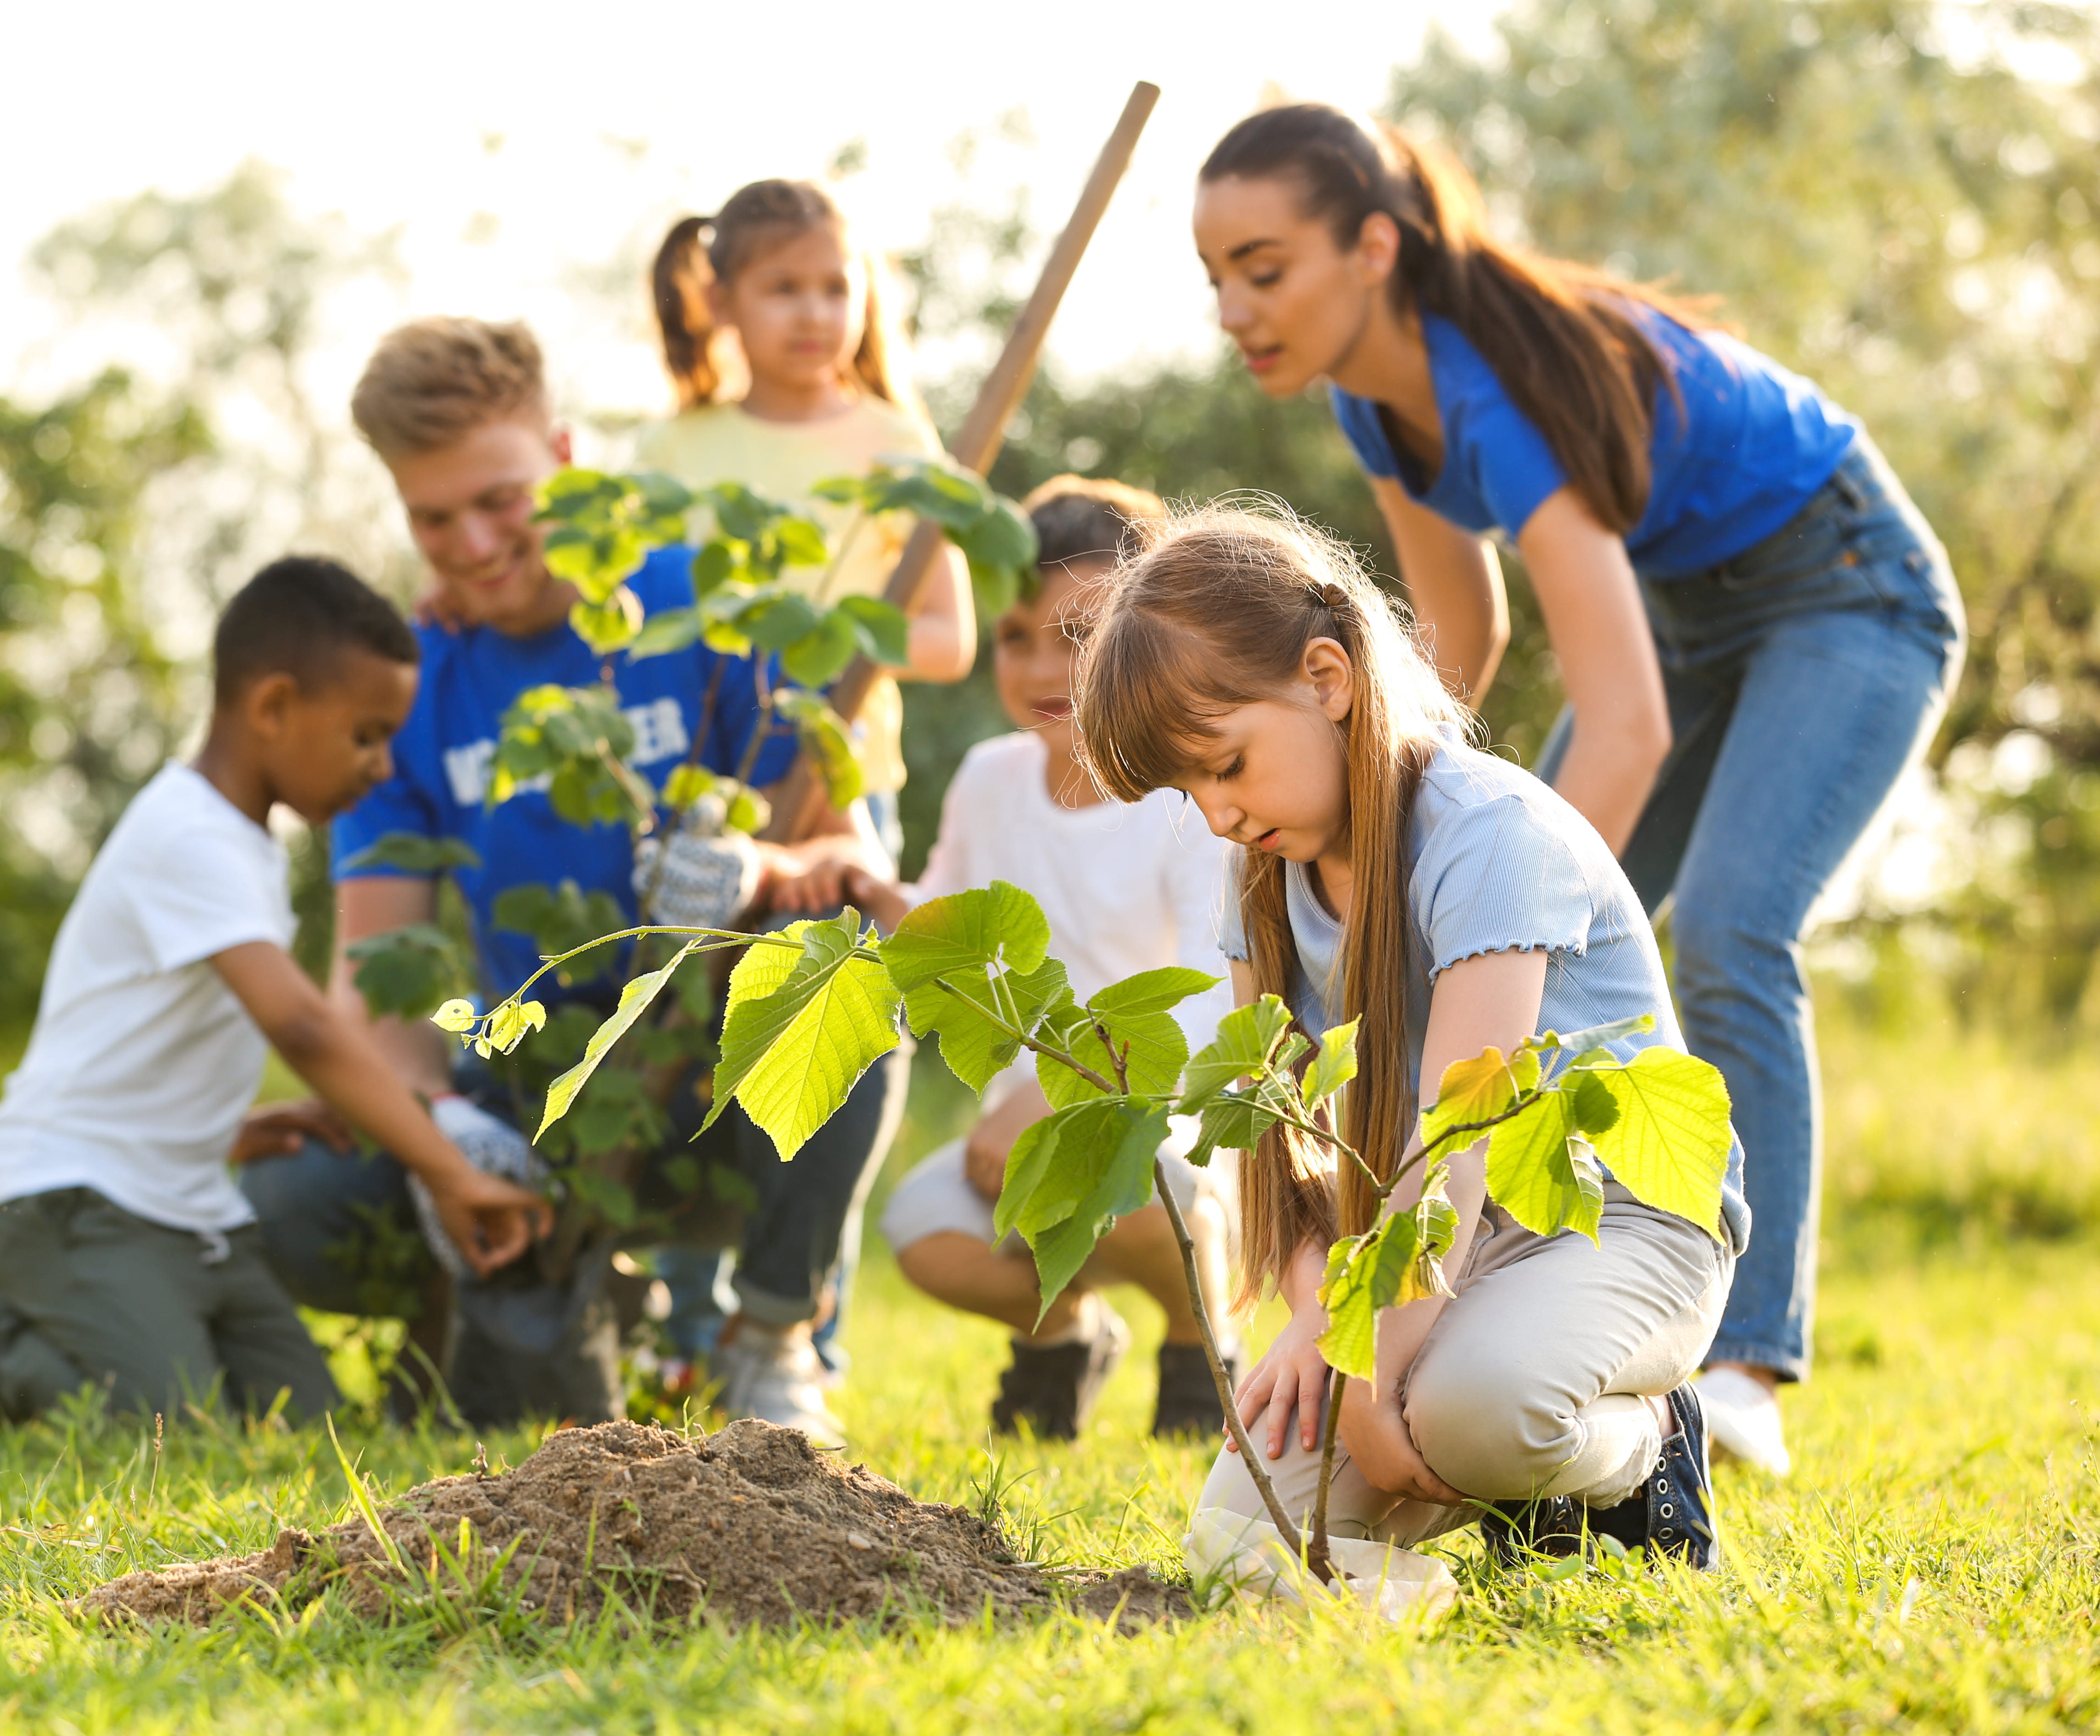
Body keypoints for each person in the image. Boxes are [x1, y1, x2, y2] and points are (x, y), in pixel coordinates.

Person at [1188, 104, 1964, 1476]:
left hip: (1844, 585)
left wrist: (1473, 916)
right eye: (1217, 280)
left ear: (1375, 246)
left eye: (1266, 266)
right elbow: (1446, 655)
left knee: (1730, 925)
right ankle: (1520, 1283)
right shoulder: (1374, 397)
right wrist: (1395, 852)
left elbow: (1621, 727)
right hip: (1697, 614)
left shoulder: (1494, 381)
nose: (1237, 309)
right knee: (1510, 934)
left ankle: (1742, 1369)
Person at [236, 316, 900, 1443]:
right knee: (295, 1205)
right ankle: (523, 1300)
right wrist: (442, 1130)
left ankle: (771, 1336)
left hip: (710, 1087)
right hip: (529, 1087)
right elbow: (380, 977)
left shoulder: (714, 608)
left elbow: (848, 866)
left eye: (500, 500)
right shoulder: (412, 684)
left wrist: (758, 863)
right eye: (433, 518)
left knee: (838, 980)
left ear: (564, 457)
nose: (475, 542)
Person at [1076, 502, 1749, 1569]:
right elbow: (1281, 1161)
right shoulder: (1259, 879)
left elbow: (1460, 1139)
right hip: (1416, 1245)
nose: (1215, 815)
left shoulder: (1487, 834)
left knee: (1471, 1415)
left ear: (1327, 679)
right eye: (1188, 788)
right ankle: (1494, 1505)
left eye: (1228, 764)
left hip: (1614, 1216)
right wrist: (1327, 1346)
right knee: (1242, 1550)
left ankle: (1646, 1447)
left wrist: (1369, 1369)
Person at [0, 557, 551, 1429]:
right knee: (171, 1430)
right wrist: (445, 1171)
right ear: (273, 707)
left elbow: (160, 1030)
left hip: (182, 1205)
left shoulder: (240, 844)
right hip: (70, 1200)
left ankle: (119, 1335)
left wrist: (230, 1127)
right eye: (366, 735)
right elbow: (300, 1024)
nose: (380, 767)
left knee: (303, 1427)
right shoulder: (190, 836)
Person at [779, 476, 1244, 1441]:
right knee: (921, 1230)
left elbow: (1216, 994)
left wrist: (1069, 1091)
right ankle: (1064, 1334)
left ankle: (1204, 1340)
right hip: (1022, 1136)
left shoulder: (1185, 795)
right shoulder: (992, 778)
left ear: (1148, 631)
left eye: (1079, 635)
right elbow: (938, 924)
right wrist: (855, 872)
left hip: (1159, 1119)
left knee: (1145, 1184)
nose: (1043, 666)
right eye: (1016, 636)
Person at [635, 177, 979, 1368]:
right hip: (712, 793)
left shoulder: (892, 443)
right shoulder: (679, 449)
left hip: (845, 792)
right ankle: (680, 1309)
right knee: (690, 1030)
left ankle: (795, 1325)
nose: (815, 312)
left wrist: (844, 642)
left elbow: (949, 639)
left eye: (835, 285)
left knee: (831, 1023)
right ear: (722, 298)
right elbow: (634, 629)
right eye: (783, 289)